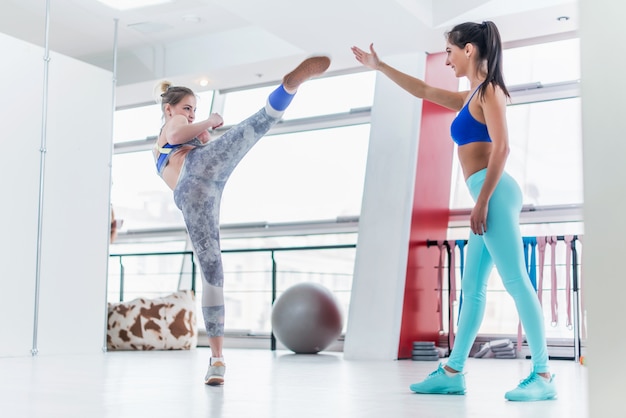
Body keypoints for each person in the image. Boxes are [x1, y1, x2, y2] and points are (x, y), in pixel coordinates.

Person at [352, 21, 556, 402]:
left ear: (469, 50)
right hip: (485, 192)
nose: (446, 59)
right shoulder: (470, 96)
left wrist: (481, 203)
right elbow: (424, 90)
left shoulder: (490, 90)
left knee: (515, 281)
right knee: (473, 289)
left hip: (493, 193)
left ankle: (543, 373)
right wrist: (380, 67)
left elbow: (503, 148)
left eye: (449, 51)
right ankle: (453, 371)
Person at [153, 55, 331, 386]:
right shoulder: (171, 125)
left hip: (200, 196)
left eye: (195, 109)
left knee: (213, 275)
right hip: (200, 174)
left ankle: (217, 360)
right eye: (188, 107)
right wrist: (209, 122)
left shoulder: (173, 134)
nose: (191, 113)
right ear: (169, 109)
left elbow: (185, 141)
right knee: (257, 124)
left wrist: (201, 135)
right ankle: (287, 90)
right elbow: (178, 137)